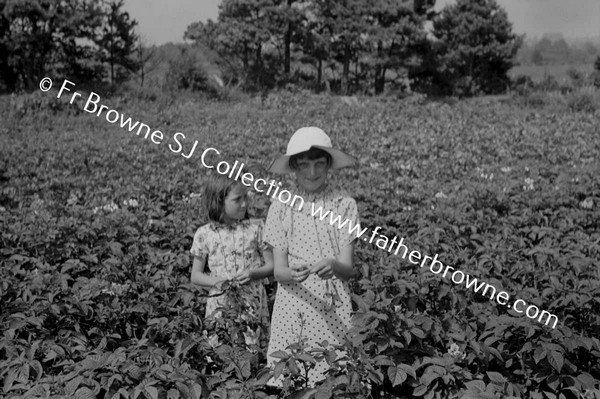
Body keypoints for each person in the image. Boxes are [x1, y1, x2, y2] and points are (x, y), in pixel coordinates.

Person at [264, 126, 359, 387]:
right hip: (293, 305)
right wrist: (290, 273)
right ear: (294, 167)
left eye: (319, 164)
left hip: (333, 306)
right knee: (293, 380)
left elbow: (348, 269)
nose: (313, 172)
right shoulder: (281, 205)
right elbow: (278, 271)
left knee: (334, 381)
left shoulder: (344, 204)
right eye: (304, 165)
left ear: (329, 164)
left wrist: (333, 265)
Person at [190, 171, 273, 323]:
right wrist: (217, 281)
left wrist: (253, 274)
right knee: (224, 342)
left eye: (245, 197)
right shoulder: (204, 234)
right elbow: (196, 275)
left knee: (252, 342)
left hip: (252, 303)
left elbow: (272, 266)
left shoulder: (257, 227)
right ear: (219, 201)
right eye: (237, 199)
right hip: (220, 304)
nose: (244, 204)